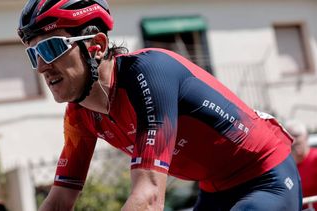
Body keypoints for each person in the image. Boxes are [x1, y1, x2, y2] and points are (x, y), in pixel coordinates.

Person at [17, 0, 302, 210]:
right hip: (214, 191)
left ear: (96, 46)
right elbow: (59, 200)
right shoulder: (79, 116)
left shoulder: (149, 73)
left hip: (265, 177)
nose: (41, 67)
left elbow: (149, 196)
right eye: (33, 55)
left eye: (51, 48)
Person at [285, 120, 317, 210]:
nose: (294, 141)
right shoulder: (285, 165)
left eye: (296, 135)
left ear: (306, 137)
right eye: (289, 136)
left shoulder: (315, 158)